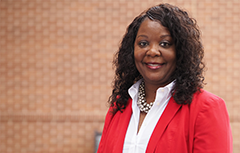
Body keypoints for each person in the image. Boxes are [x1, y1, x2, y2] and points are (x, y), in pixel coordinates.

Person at [97, 3, 232, 153]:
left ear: (181, 51)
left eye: (164, 44)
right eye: (143, 43)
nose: (152, 51)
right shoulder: (120, 106)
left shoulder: (205, 108)